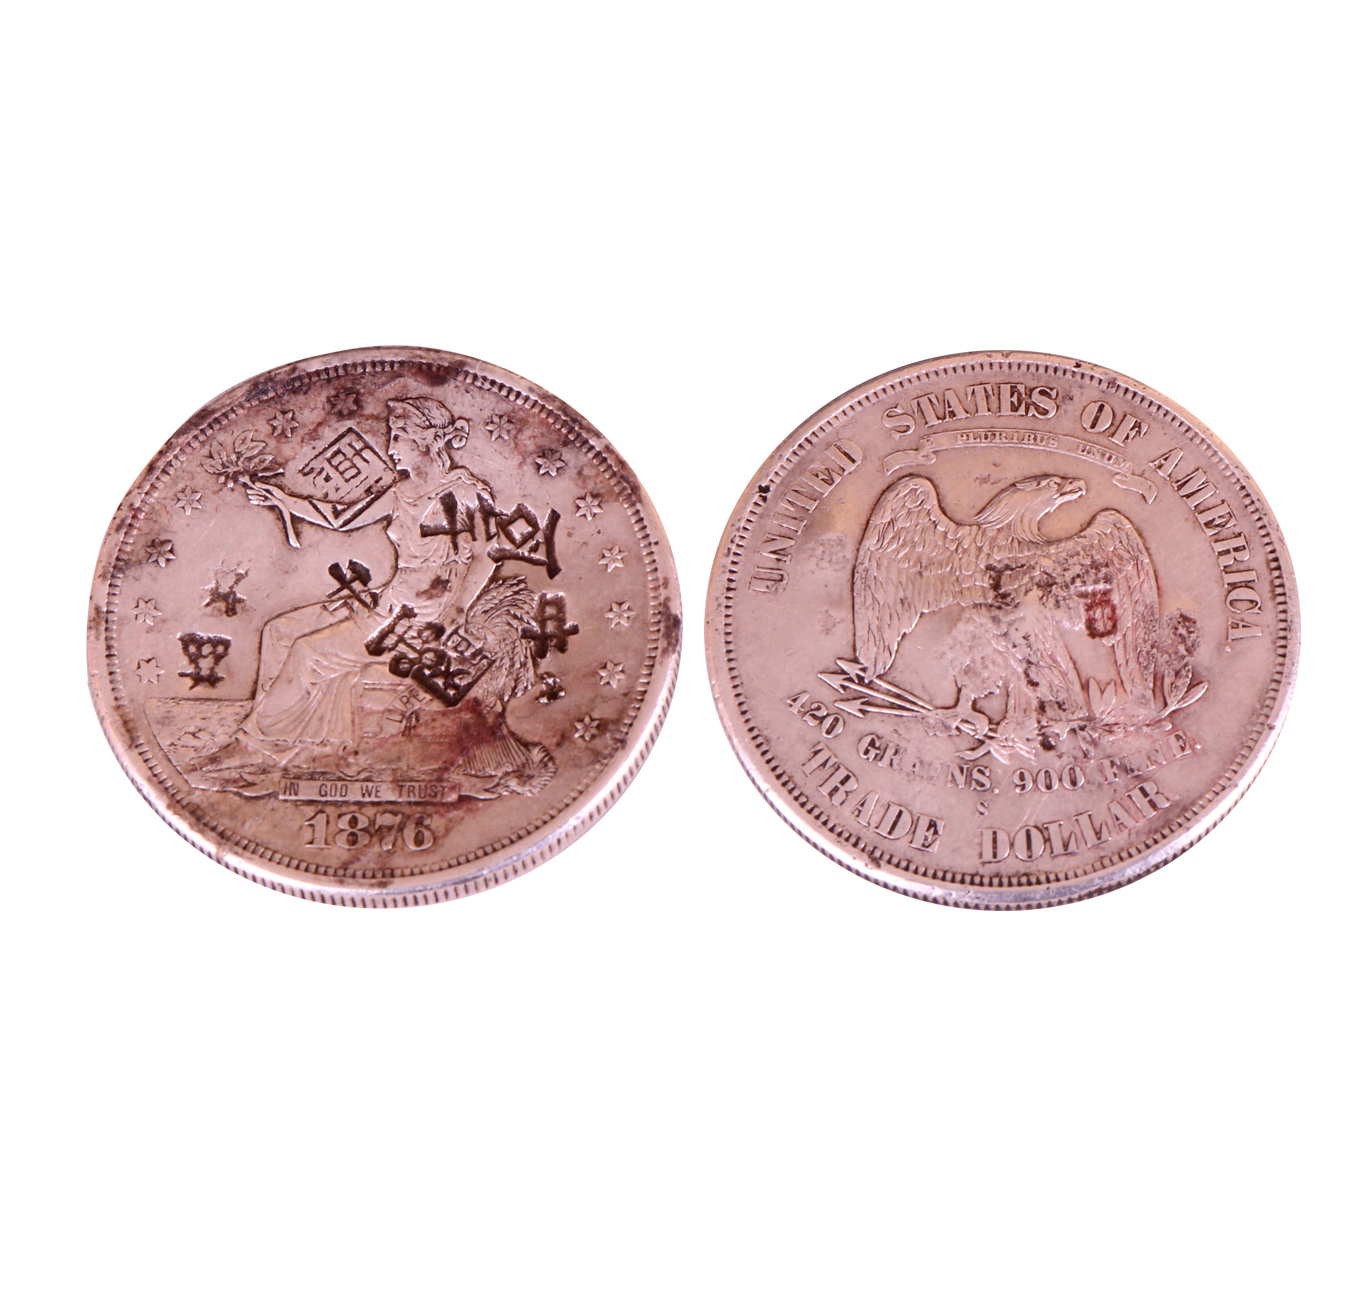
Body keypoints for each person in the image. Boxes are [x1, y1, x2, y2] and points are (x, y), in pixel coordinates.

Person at [191, 398, 553, 792]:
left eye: (399, 438)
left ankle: (252, 747)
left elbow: (486, 553)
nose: (391, 448)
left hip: (421, 618)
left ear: (427, 441)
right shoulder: (400, 492)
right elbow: (341, 518)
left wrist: (459, 610)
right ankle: (291, 746)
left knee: (307, 652)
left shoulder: (465, 493)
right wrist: (283, 499)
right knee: (279, 631)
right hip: (388, 602)